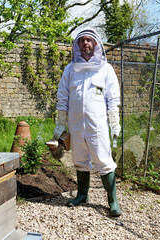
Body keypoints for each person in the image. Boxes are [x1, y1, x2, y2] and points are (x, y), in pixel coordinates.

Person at [53, 28, 122, 217]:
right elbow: (62, 98)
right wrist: (60, 125)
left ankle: (112, 200)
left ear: (96, 44)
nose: (85, 43)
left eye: (89, 40)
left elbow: (113, 99)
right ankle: (82, 194)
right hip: (76, 125)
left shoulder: (105, 69)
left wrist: (114, 124)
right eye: (82, 40)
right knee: (80, 160)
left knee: (104, 161)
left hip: (97, 126)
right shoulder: (70, 69)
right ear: (77, 45)